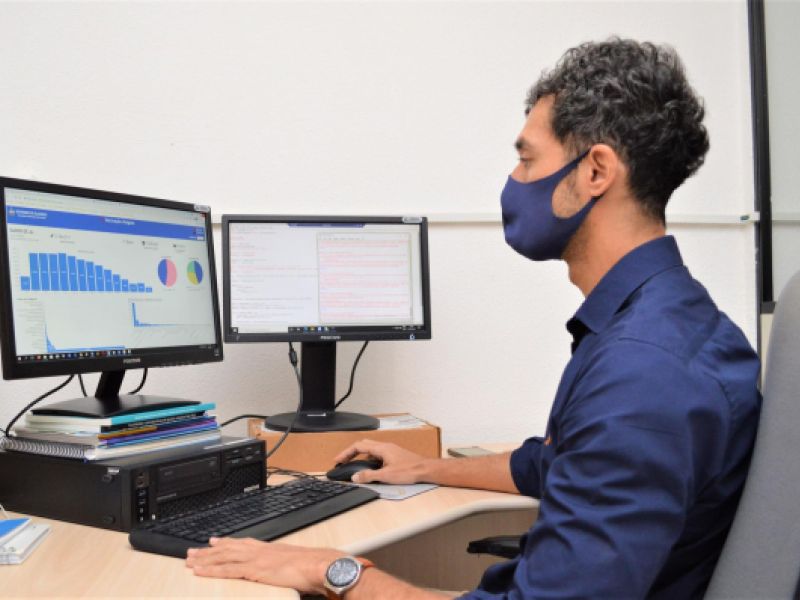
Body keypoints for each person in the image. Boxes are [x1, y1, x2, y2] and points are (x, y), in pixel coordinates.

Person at [186, 38, 761, 599]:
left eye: (527, 159)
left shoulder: (643, 373)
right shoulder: (668, 322)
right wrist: (425, 467)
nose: (515, 181)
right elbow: (556, 465)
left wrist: (337, 573)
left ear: (596, 172)